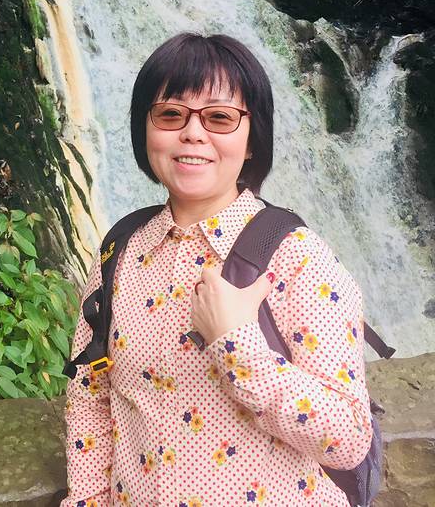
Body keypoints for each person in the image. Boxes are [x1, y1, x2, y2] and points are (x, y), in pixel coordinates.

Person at [61, 32, 373, 507]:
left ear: (252, 140)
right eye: (171, 114)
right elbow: (91, 394)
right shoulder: (120, 251)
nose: (192, 133)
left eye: (220, 117)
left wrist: (237, 344)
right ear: (145, 130)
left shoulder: (297, 257)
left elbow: (349, 440)